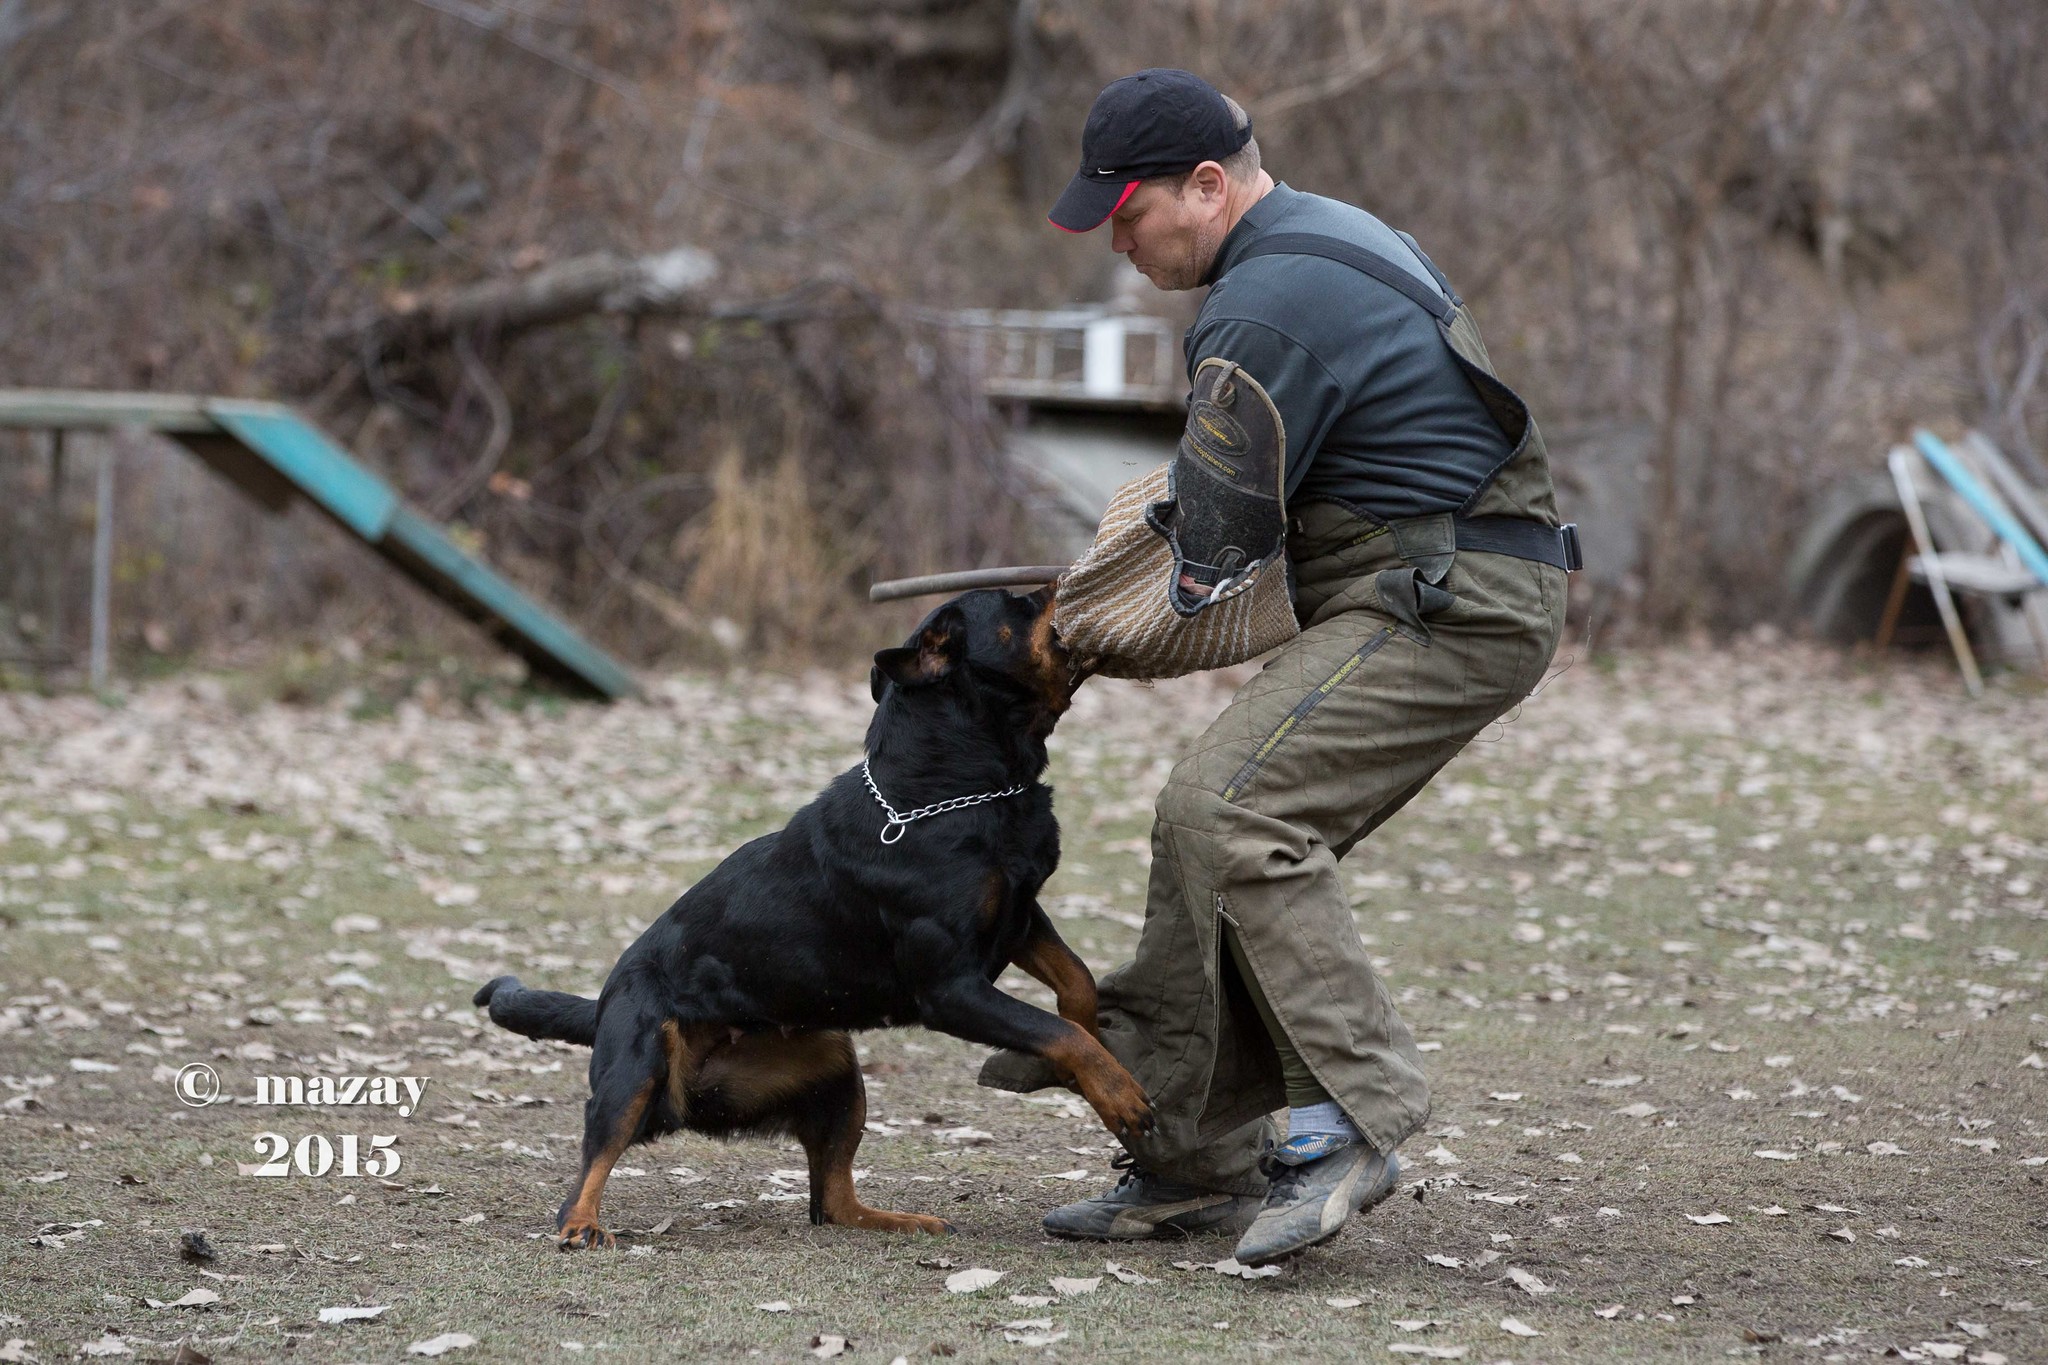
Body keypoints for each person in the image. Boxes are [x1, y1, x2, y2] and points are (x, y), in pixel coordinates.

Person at [979, 69, 1576, 1266]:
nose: (1119, 239)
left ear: (1206, 186)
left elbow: (1215, 554)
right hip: (1446, 581)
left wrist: (1092, 603)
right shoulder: (1330, 235)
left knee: (1231, 809)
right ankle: (1189, 1158)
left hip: (1446, 599)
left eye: (1128, 211)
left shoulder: (1257, 308)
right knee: (1202, 827)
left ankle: (1343, 1120)